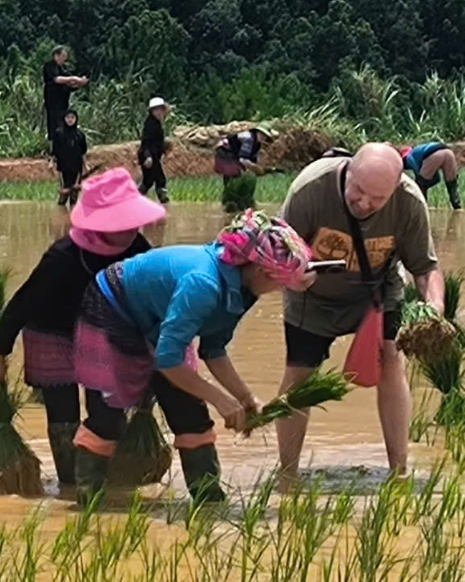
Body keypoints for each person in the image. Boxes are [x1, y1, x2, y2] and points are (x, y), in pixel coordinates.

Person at [72, 210, 314, 504]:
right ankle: (89, 502)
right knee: (109, 412)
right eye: (280, 284)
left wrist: (245, 397)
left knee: (192, 416)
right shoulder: (203, 283)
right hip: (111, 305)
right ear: (262, 272)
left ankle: (209, 501)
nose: (279, 290)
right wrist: (220, 399)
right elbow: (168, 360)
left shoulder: (243, 289)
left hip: (156, 318)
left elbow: (213, 350)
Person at [0, 169, 160, 485]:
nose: (133, 228)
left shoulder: (138, 250)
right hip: (53, 334)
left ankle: (100, 477)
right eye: (124, 222)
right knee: (64, 418)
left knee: (107, 408)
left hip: (105, 336)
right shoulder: (63, 258)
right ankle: (70, 484)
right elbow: (19, 308)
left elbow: (153, 307)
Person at [278, 144, 443, 479]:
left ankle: (399, 471)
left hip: (377, 293)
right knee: (300, 375)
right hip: (313, 295)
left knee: (391, 362)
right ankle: (287, 474)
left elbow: (425, 268)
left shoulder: (409, 201)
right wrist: (291, 276)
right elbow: (276, 252)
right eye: (358, 192)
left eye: (377, 199)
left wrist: (434, 308)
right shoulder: (309, 190)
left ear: (395, 189)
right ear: (347, 171)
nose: (365, 203)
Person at [43, 46, 88, 141]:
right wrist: (73, 78)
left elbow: (68, 84)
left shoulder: (62, 68)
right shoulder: (50, 66)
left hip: (63, 102)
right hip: (53, 101)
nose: (65, 59)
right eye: (63, 56)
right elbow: (56, 79)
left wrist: (80, 83)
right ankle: (54, 147)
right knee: (54, 124)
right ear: (56, 56)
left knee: (64, 123)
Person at [400, 142, 462, 210]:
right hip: (449, 153)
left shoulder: (408, 157)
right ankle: (457, 206)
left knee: (421, 185)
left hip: (435, 154)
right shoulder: (418, 151)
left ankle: (421, 208)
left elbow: (419, 174)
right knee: (452, 186)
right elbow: (436, 178)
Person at [137, 97, 171, 204]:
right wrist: (148, 157)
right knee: (154, 180)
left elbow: (157, 142)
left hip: (153, 156)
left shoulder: (156, 123)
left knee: (151, 180)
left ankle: (138, 198)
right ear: (151, 111)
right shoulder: (150, 124)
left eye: (160, 110)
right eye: (156, 110)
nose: (158, 112)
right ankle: (162, 200)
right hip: (149, 156)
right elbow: (146, 142)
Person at [52, 110, 89, 207]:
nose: (70, 120)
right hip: (63, 167)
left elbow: (83, 152)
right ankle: (61, 216)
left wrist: (85, 166)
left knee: (74, 194)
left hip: (77, 167)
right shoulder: (59, 133)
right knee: (64, 193)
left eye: (72, 118)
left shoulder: (80, 135)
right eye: (68, 117)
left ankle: (71, 218)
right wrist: (52, 164)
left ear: (76, 119)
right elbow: (54, 151)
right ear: (64, 119)